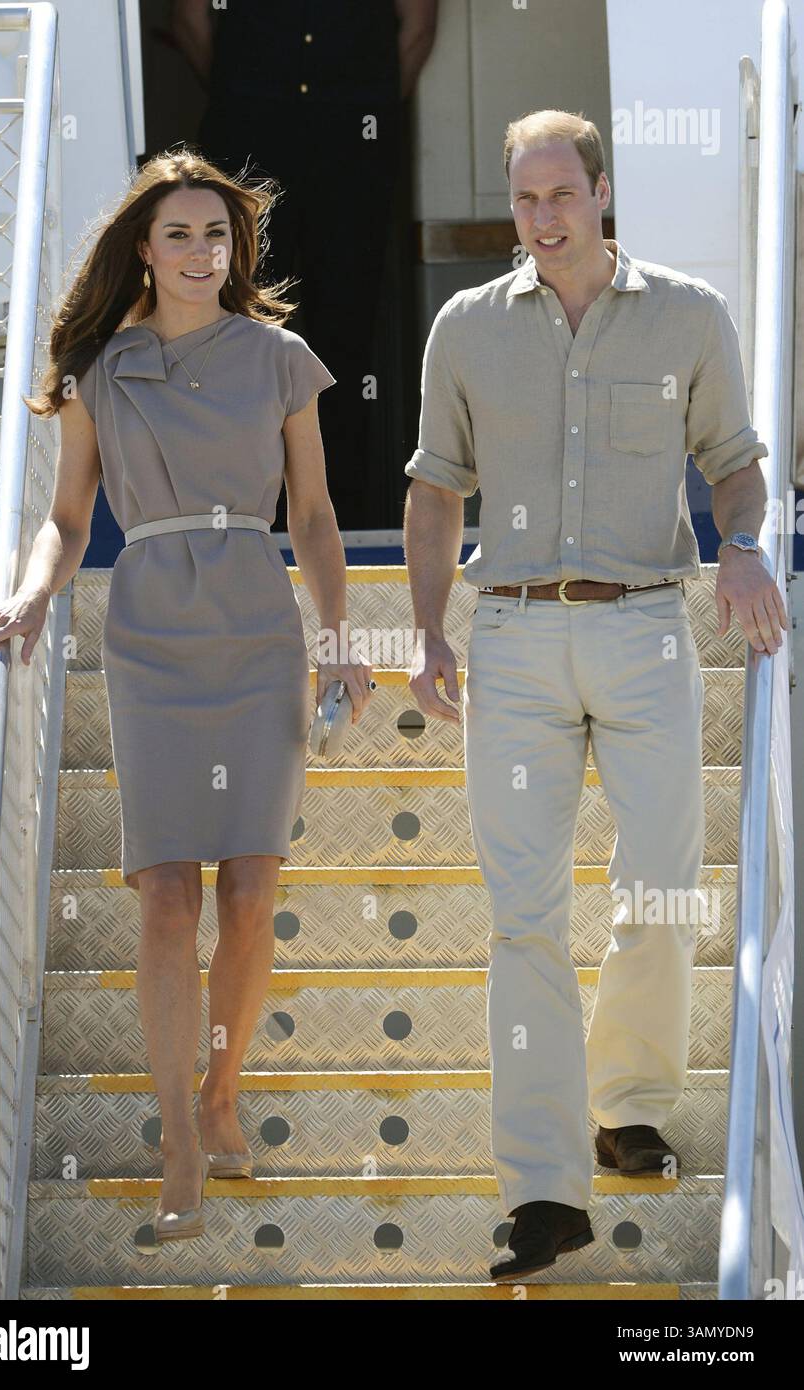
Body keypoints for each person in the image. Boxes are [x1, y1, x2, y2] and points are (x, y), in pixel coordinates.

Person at [403, 109, 787, 1282]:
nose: (543, 218)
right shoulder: (464, 329)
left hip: (641, 627)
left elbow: (733, 459)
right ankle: (538, 1191)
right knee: (522, 918)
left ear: (601, 192)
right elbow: (432, 487)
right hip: (512, 635)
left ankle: (626, 1107)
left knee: (662, 884)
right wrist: (425, 629)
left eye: (561, 194)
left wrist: (739, 544)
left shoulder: (686, 314)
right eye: (523, 200)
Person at [0, 148, 374, 1250]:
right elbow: (66, 517)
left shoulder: (279, 357)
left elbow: (317, 516)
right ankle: (177, 1139)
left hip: (253, 622)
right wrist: (29, 595)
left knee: (250, 888)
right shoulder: (101, 366)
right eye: (182, 235)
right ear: (142, 250)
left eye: (219, 235)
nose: (204, 253)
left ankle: (220, 1087)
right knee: (163, 895)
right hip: (148, 628)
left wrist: (335, 639)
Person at [169, 0, 439, 531]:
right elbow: (188, 21)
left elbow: (418, 28)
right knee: (242, 333)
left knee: (347, 336)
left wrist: (365, 112)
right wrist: (246, 99)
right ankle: (248, 517)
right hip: (249, 152)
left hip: (353, 152)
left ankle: (345, 521)